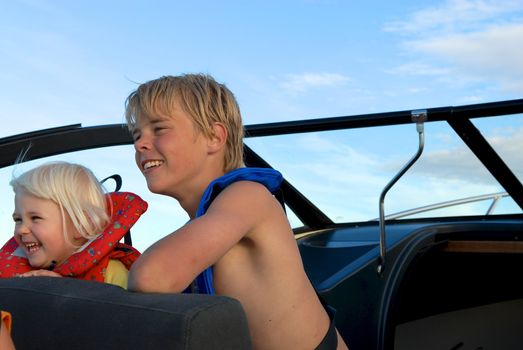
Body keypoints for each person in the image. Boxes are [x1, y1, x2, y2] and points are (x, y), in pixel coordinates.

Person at [125, 74, 348, 349]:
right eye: (137, 135)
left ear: (214, 137)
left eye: (159, 130)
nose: (139, 144)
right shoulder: (204, 224)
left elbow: (151, 277)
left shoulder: (247, 196)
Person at [0, 161, 148, 289]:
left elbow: (121, 319)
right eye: (18, 220)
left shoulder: (113, 273)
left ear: (81, 226)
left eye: (35, 218)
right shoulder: (14, 272)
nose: (21, 229)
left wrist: (65, 291)